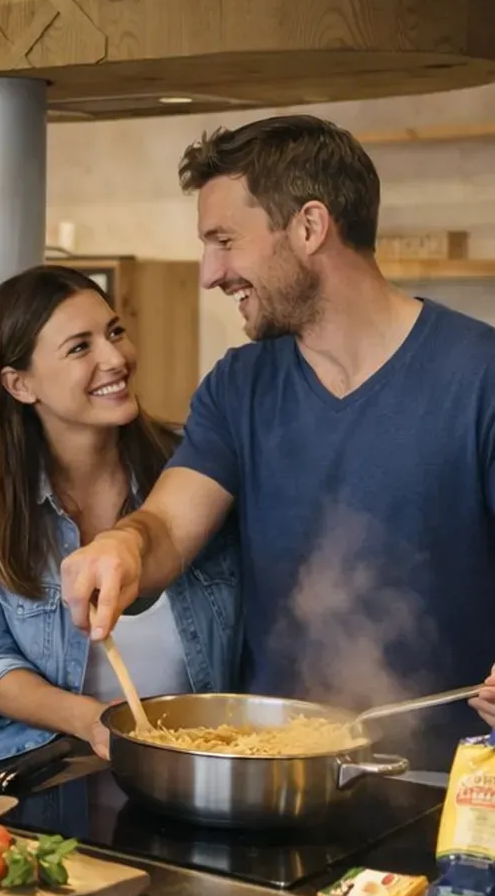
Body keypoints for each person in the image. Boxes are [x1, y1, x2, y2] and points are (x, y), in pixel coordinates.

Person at [61, 116, 495, 767]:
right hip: (273, 778)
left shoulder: (479, 376)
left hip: (446, 788)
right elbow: (170, 528)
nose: (211, 273)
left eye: (225, 241)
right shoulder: (240, 385)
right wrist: (124, 544)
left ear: (311, 226)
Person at [0, 266, 240, 787]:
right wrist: (90, 720)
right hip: (38, 765)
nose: (115, 358)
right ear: (19, 384)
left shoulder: (197, 468)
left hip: (194, 770)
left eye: (114, 332)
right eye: (79, 348)